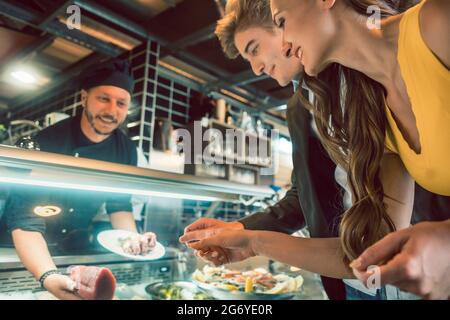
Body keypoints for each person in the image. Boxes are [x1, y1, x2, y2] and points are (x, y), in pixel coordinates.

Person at [182, 0, 450, 299]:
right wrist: (251, 240)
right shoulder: (377, 113)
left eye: (281, 21)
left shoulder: (434, 25)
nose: (283, 45)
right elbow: (369, 248)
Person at [183, 0, 347, 300]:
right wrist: (237, 228)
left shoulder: (363, 74)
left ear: (284, 24)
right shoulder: (299, 106)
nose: (256, 68)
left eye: (254, 48)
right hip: (346, 277)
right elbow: (304, 195)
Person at [3, 58, 156, 300]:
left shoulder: (126, 150)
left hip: (71, 248)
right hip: (24, 249)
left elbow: (119, 206)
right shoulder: (48, 141)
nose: (111, 111)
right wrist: (48, 277)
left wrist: (132, 239)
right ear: (84, 98)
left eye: (121, 103)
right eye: (103, 98)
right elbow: (24, 220)